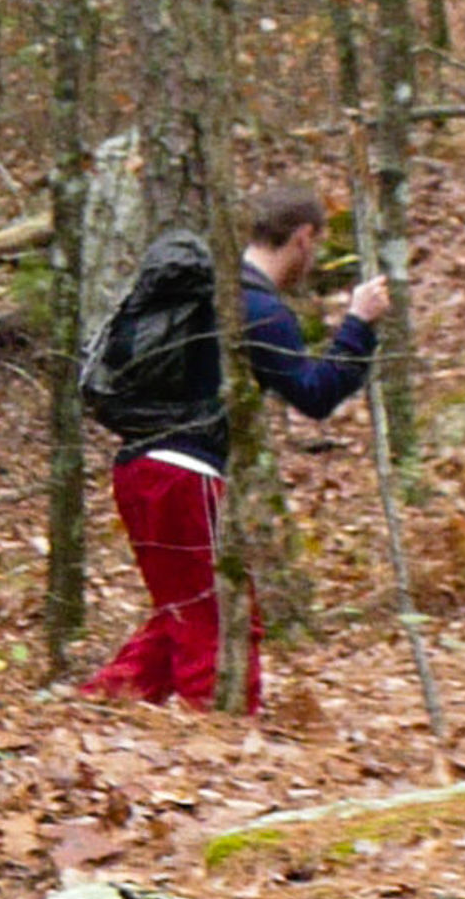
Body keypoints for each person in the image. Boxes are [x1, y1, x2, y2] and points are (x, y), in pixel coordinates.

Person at [81, 181, 387, 715]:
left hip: (137, 468)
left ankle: (100, 704)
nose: (311, 259)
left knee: (182, 609)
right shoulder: (256, 307)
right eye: (314, 247)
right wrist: (358, 325)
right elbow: (315, 394)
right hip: (185, 473)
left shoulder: (217, 294)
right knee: (221, 613)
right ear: (303, 237)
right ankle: (220, 733)